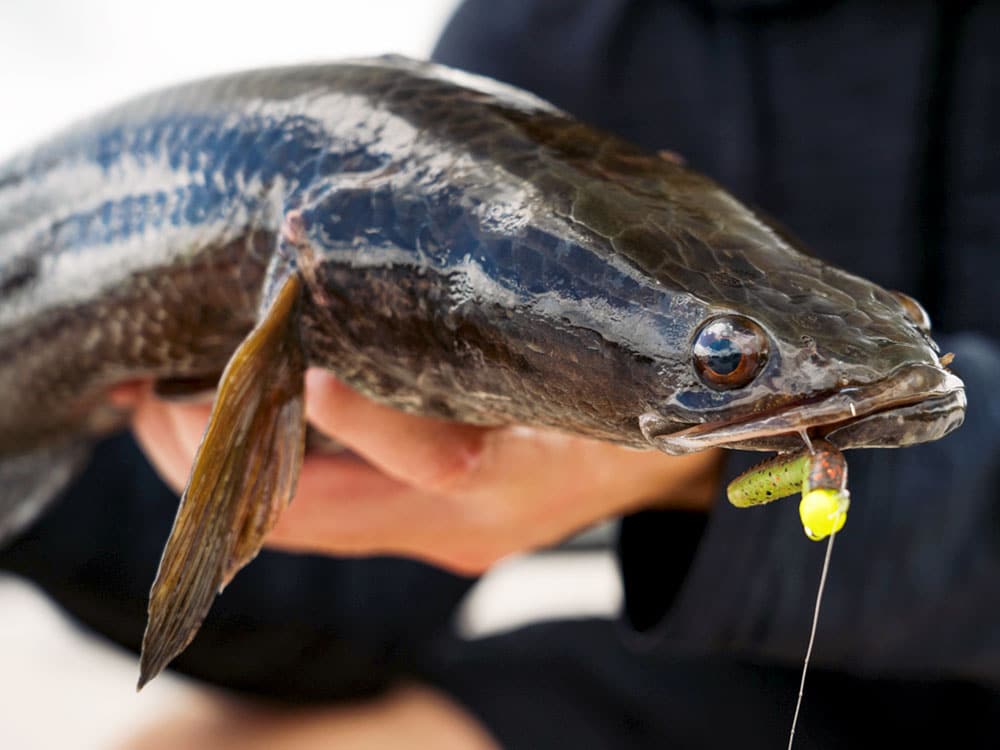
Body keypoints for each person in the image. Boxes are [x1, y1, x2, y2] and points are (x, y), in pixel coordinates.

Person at [3, 0, 1000, 746]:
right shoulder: (547, 31)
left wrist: (690, 474)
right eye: (725, 358)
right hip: (737, 678)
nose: (732, 367)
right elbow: (345, 616)